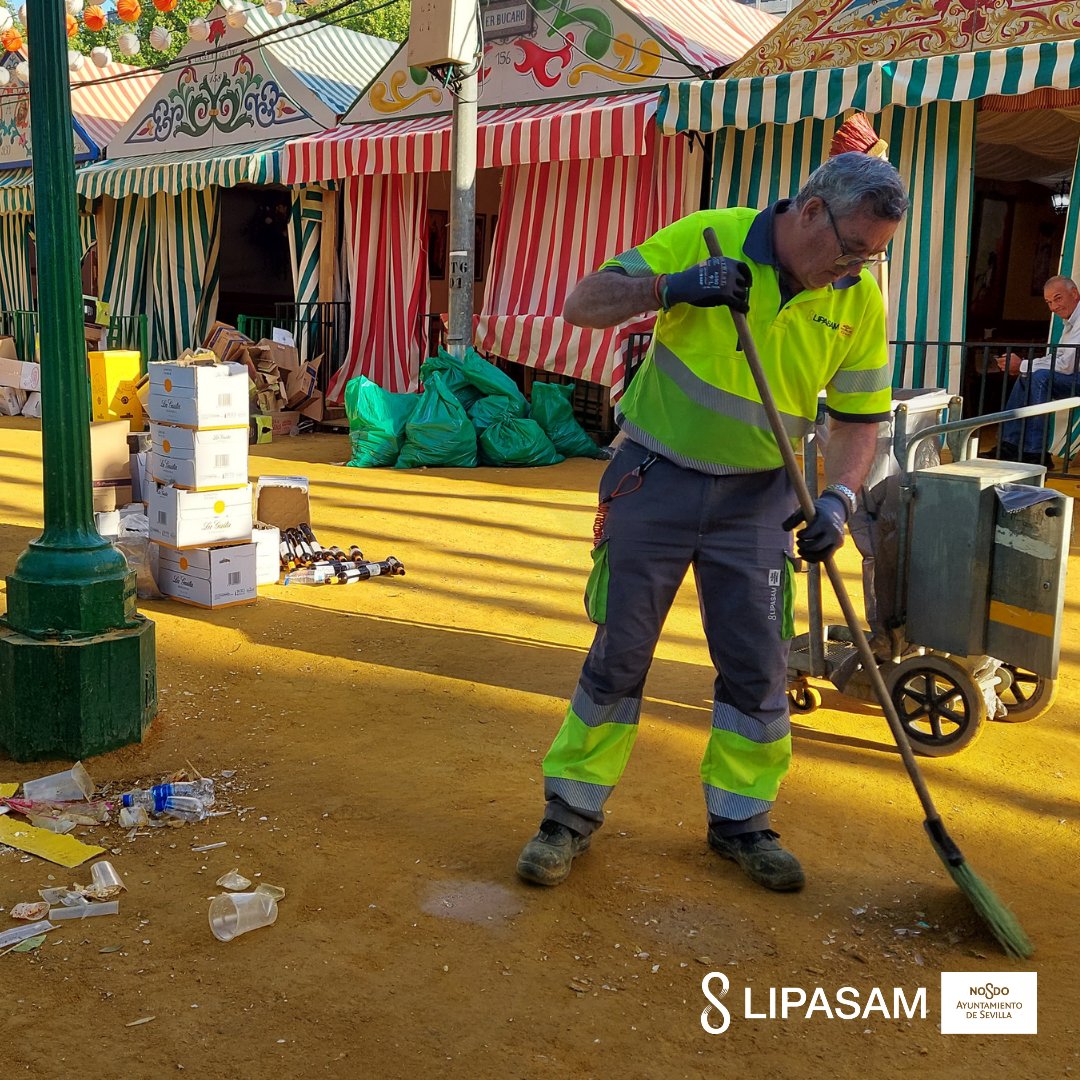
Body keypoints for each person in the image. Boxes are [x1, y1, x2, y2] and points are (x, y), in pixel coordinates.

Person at [516, 153, 910, 893]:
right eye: (853, 247)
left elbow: (859, 421)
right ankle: (567, 815)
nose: (858, 267)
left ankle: (742, 823)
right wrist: (672, 288)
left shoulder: (858, 299)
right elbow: (583, 303)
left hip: (760, 501)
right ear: (811, 210)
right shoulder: (712, 236)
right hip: (655, 480)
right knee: (620, 654)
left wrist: (838, 500)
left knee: (757, 664)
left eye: (875, 254)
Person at [994, 276, 1080, 465]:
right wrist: (1025, 366)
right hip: (1075, 377)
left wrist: (1023, 364)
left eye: (1058, 298)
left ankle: (1035, 452)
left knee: (1039, 376)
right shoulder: (1070, 322)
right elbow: (1058, 358)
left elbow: (1067, 365)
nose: (1053, 307)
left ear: (1074, 293)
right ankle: (1010, 445)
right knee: (1029, 375)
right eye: (1049, 302)